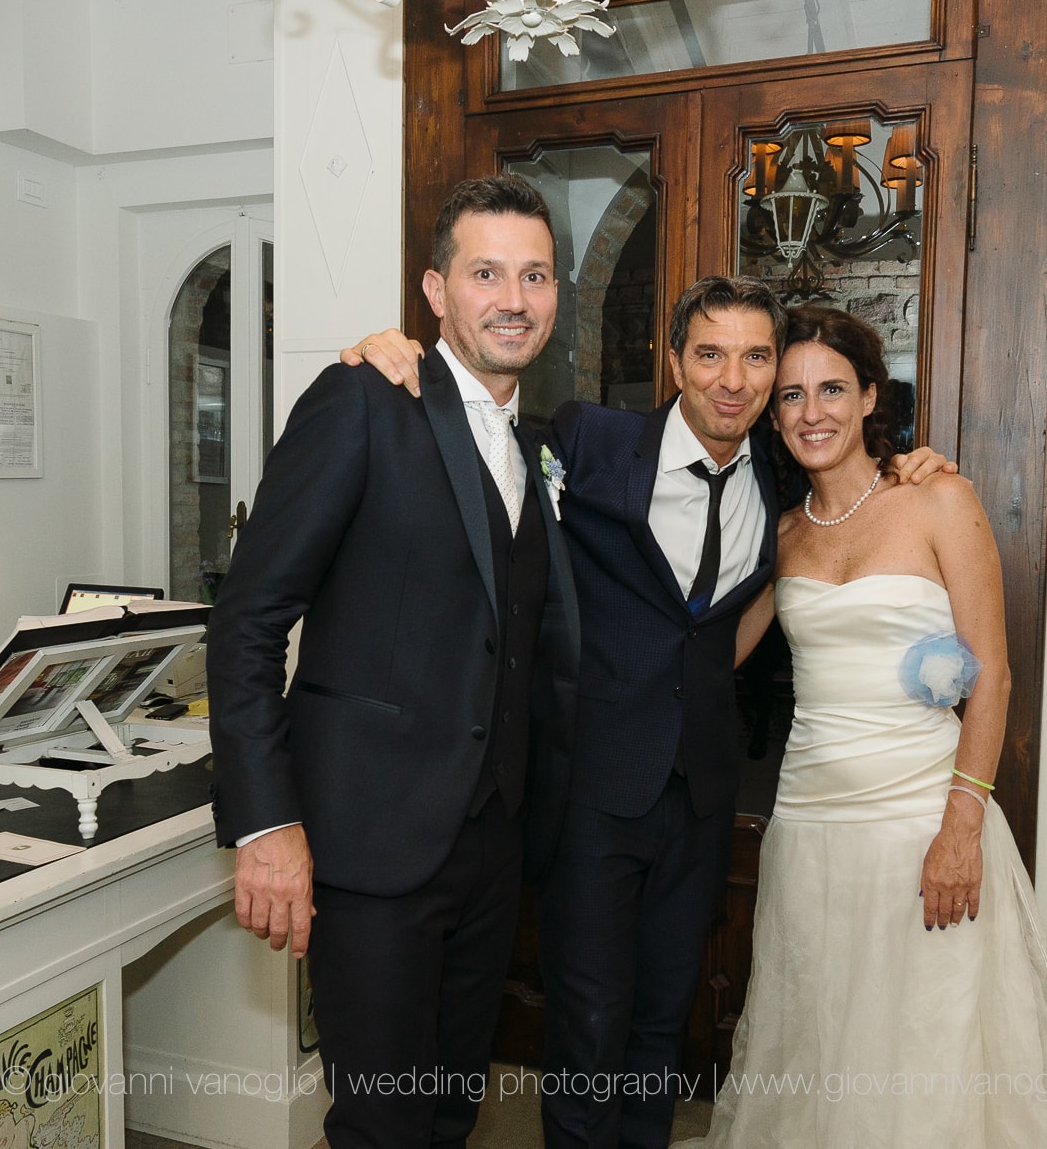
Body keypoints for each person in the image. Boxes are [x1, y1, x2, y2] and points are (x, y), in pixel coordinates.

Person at [344, 279, 954, 1149]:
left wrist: (916, 462)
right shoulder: (588, 440)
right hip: (593, 786)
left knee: (663, 1023)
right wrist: (399, 362)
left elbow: (843, 485)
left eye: (755, 358)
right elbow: (472, 440)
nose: (733, 380)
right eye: (710, 354)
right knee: (589, 1024)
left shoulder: (783, 472)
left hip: (700, 795)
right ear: (674, 362)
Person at [206, 174, 581, 1149]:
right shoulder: (364, 401)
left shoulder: (536, 443)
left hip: (491, 845)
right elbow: (248, 619)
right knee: (381, 1122)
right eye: (486, 273)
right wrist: (267, 823)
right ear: (436, 290)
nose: (513, 297)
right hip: (371, 842)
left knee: (451, 1111)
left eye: (535, 275)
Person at [693, 305, 1047, 1147]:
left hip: (922, 821)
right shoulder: (781, 533)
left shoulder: (939, 498)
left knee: (925, 1051)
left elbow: (994, 676)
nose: (812, 412)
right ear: (772, 414)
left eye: (832, 389)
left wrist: (961, 827)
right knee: (822, 1039)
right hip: (811, 826)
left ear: (870, 396)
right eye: (791, 395)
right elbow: (710, 653)